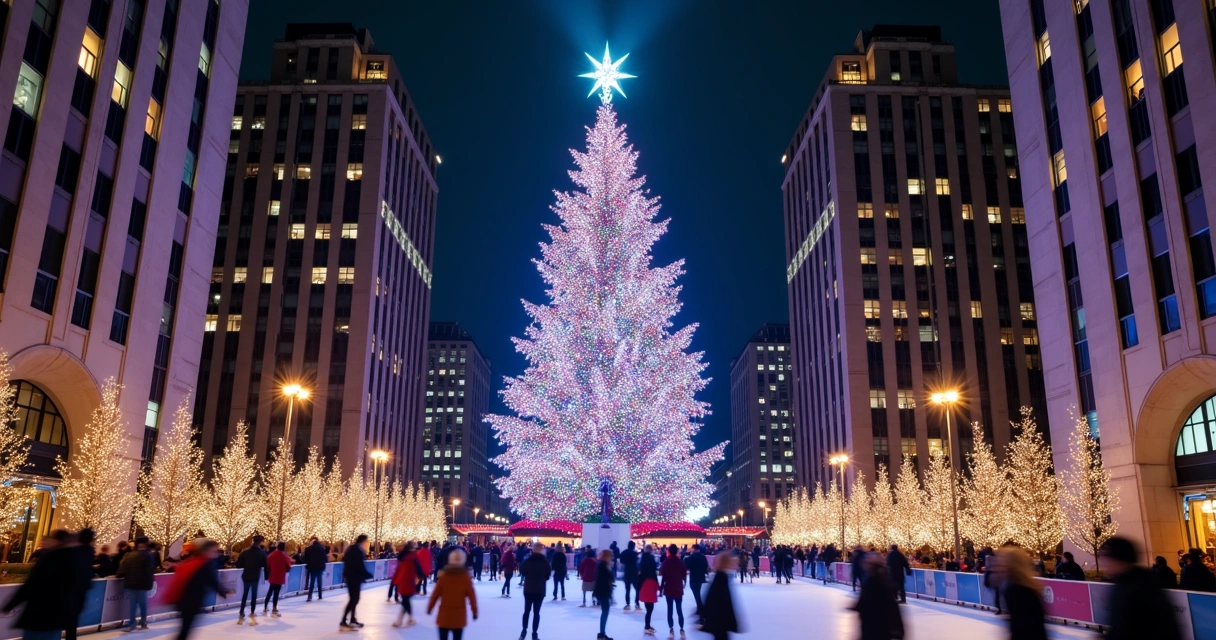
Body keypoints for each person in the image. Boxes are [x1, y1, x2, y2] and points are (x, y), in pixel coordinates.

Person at [1099, 537, 1181, 640]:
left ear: (1117, 560)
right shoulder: (1124, 582)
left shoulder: (1139, 586)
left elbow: (1128, 627)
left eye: (1106, 558)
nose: (1103, 564)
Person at [3, 530, 75, 640]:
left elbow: (31, 585)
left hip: (39, 615)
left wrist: (10, 605)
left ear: (56, 541)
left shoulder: (50, 559)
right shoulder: (69, 560)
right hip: (55, 617)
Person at [164, 539, 231, 640]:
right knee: (185, 630)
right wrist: (223, 592)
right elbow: (211, 581)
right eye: (213, 551)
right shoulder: (203, 564)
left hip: (184, 600)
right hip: (189, 601)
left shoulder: (195, 561)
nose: (216, 554)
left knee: (185, 629)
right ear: (205, 551)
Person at [996, 547, 1047, 640]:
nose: (999, 567)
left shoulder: (1017, 590)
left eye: (1003, 562)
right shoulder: (1023, 586)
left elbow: (1023, 627)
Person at [428, 548, 478, 640]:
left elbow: (435, 595)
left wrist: (430, 608)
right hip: (459, 617)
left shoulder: (443, 577)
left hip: (444, 616)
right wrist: (474, 612)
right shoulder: (466, 578)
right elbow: (472, 597)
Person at [854, 553, 904, 640]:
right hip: (875, 627)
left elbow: (890, 605)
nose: (863, 564)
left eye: (867, 562)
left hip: (877, 628)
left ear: (872, 565)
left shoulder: (876, 580)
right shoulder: (875, 578)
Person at [117, 536, 156, 632]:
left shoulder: (129, 555)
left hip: (131, 583)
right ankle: (143, 623)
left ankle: (132, 625)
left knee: (132, 605)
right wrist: (149, 584)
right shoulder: (148, 556)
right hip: (142, 584)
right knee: (143, 604)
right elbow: (150, 570)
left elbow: (122, 569)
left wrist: (118, 575)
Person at [700, 553, 739, 640]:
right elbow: (722, 602)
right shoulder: (721, 578)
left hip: (719, 622)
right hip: (720, 622)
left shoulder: (721, 577)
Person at [518, 542, 551, 640]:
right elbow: (548, 575)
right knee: (536, 613)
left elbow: (522, 570)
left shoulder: (528, 560)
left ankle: (523, 631)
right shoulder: (544, 562)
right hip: (539, 590)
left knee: (526, 611)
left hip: (528, 589)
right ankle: (534, 634)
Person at [340, 534, 372, 630]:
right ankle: (343, 621)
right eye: (366, 541)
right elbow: (358, 565)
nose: (367, 543)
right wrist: (367, 574)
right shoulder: (356, 550)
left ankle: (352, 620)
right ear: (363, 541)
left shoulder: (353, 549)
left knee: (354, 599)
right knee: (354, 599)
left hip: (353, 577)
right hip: (353, 578)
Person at [236, 535, 267, 625]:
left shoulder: (245, 552)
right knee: (254, 595)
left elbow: (238, 565)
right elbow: (265, 564)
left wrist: (247, 564)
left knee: (245, 595)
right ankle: (252, 613)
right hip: (255, 576)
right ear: (260, 542)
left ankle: (241, 612)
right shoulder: (261, 553)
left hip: (246, 575)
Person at [391, 542, 424, 628]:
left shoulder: (402, 557)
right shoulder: (412, 557)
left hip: (402, 581)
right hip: (409, 581)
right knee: (406, 601)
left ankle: (405, 619)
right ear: (410, 549)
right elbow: (418, 568)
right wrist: (422, 575)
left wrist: (395, 580)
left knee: (405, 601)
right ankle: (405, 619)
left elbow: (398, 570)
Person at [659, 544, 687, 639]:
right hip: (678, 588)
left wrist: (661, 589)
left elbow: (663, 578)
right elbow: (684, 575)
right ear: (677, 552)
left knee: (670, 610)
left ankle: (671, 629)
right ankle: (682, 629)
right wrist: (684, 583)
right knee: (679, 609)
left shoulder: (666, 563)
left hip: (669, 589)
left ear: (669, 552)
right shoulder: (680, 563)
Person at [265, 542, 292, 617]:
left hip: (273, 575)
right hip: (280, 576)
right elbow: (289, 564)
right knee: (276, 593)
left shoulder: (271, 555)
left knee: (270, 591)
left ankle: (265, 607)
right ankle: (274, 608)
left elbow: (268, 564)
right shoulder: (284, 556)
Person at [638, 545, 660, 636]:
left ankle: (647, 626)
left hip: (643, 584)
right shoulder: (651, 558)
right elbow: (654, 572)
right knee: (650, 608)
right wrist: (658, 585)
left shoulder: (641, 559)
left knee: (648, 607)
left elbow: (640, 572)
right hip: (650, 583)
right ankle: (647, 626)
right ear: (651, 550)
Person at [595, 549, 616, 640]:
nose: (612, 558)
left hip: (601, 591)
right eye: (610, 556)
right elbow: (609, 579)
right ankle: (602, 633)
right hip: (603, 592)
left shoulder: (601, 565)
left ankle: (602, 633)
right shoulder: (604, 566)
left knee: (605, 611)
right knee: (605, 612)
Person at [683, 544, 708, 618]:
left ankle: (700, 608)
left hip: (693, 577)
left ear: (694, 549)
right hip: (701, 577)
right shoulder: (703, 557)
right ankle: (700, 607)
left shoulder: (691, 557)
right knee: (698, 593)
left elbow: (686, 565)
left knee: (696, 593)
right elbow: (705, 566)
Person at [304, 536, 328, 601]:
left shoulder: (309, 548)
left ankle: (309, 596)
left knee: (312, 582)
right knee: (319, 581)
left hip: (312, 567)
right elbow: (325, 558)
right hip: (320, 567)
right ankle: (320, 595)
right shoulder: (322, 548)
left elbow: (305, 558)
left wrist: (309, 564)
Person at [619, 541, 639, 610]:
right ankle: (637, 603)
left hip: (627, 571)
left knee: (627, 589)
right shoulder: (635, 553)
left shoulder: (624, 552)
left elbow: (621, 560)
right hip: (634, 572)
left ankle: (628, 604)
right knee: (637, 589)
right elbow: (637, 561)